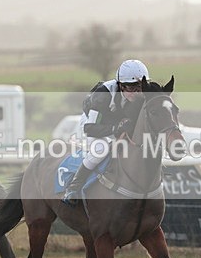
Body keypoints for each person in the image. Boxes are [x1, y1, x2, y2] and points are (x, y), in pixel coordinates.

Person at [62, 59, 149, 206]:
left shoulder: (139, 96)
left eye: (139, 87)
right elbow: (90, 128)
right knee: (100, 149)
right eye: (131, 87)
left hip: (113, 123)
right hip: (92, 123)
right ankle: (73, 187)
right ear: (121, 85)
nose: (136, 92)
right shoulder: (103, 94)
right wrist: (115, 129)